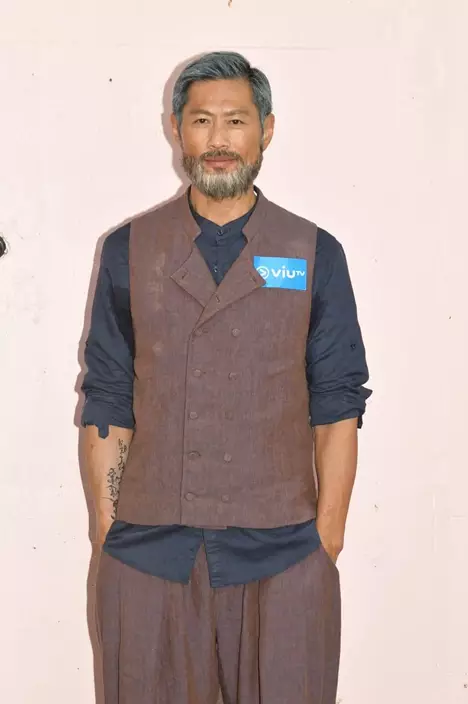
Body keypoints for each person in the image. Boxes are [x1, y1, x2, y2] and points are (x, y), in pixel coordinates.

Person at [82, 51, 372, 704]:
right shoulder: (130, 249)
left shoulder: (311, 252)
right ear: (176, 129)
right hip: (149, 554)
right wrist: (108, 527)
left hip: (283, 556)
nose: (218, 139)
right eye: (201, 120)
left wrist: (325, 539)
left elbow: (338, 405)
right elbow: (107, 397)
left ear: (266, 129)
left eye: (236, 121)